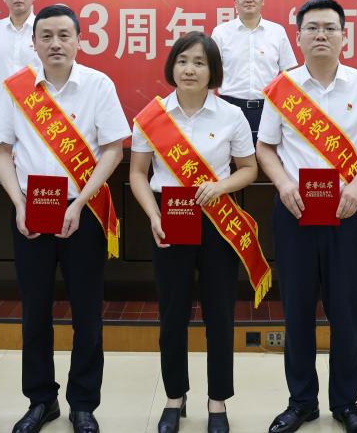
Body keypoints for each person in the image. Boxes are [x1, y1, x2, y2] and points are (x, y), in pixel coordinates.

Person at [0, 4, 129, 433]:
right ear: (33, 43)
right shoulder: (15, 89)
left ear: (79, 40)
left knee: (87, 314)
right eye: (46, 36)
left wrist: (79, 202)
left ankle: (83, 403)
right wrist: (18, 204)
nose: (55, 43)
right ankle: (41, 401)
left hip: (81, 213)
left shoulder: (98, 85)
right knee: (34, 313)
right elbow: (1, 152)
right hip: (30, 212)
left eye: (64, 35)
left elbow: (113, 150)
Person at [256, 0, 357, 433]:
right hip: (295, 213)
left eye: (330, 28)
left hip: (347, 213)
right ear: (298, 37)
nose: (321, 35)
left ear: (344, 36)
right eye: (312, 28)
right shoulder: (282, 88)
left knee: (345, 313)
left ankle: (346, 403)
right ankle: (301, 402)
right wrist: (283, 184)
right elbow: (265, 148)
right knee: (296, 312)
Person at [130, 32, 270, 433]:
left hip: (216, 224)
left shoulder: (230, 115)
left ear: (213, 71)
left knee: (219, 315)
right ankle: (175, 397)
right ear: (172, 66)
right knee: (172, 314)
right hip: (168, 220)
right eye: (182, 61)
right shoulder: (152, 116)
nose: (189, 69)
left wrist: (221, 186)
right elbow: (138, 173)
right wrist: (153, 215)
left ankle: (217, 400)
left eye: (199, 62)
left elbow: (249, 169)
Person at [212, 0, 298, 137]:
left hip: (269, 109)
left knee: (267, 151)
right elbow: (211, 74)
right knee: (230, 153)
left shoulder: (277, 31)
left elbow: (288, 75)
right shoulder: (221, 32)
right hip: (229, 107)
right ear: (235, 1)